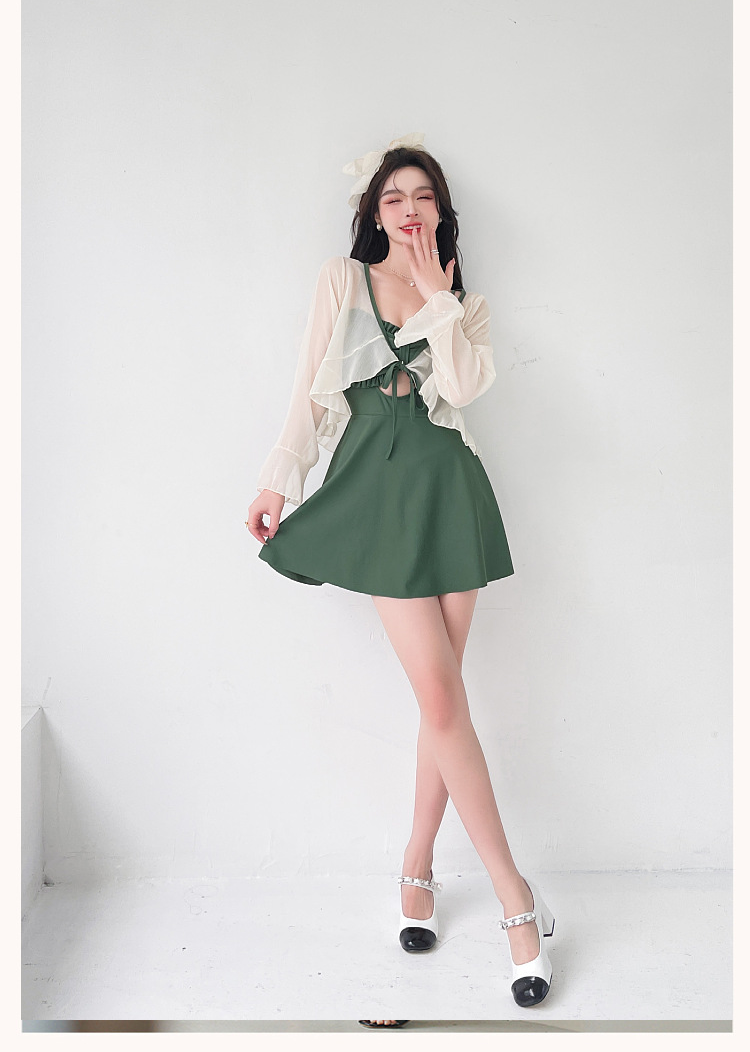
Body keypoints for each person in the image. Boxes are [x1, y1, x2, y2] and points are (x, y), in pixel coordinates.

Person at [245, 135, 556, 1022]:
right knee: (444, 699)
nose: (408, 209)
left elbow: (465, 386)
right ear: (373, 212)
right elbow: (309, 393)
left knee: (439, 699)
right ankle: (516, 898)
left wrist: (436, 296)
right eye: (393, 198)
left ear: (440, 212)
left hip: (450, 491)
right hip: (377, 498)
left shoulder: (464, 301)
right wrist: (277, 480)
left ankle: (417, 866)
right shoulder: (341, 282)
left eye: (422, 197)